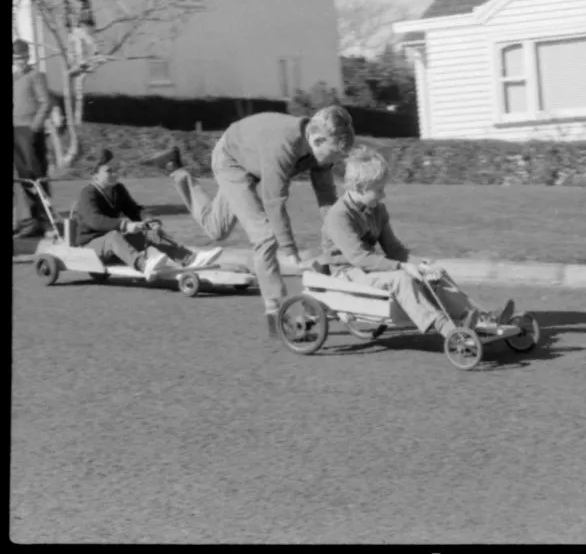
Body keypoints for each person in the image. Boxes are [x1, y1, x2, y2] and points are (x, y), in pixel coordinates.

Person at [141, 106, 355, 340]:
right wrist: (290, 251)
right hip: (231, 159)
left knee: (216, 229)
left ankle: (174, 167)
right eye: (333, 154)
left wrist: (343, 235)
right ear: (317, 139)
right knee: (265, 237)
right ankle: (277, 314)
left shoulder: (319, 148)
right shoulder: (282, 146)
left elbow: (327, 198)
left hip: (253, 159)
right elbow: (274, 203)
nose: (334, 162)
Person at [319, 145, 515, 341]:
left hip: (368, 268)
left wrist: (420, 265)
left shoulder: (377, 209)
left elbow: (394, 249)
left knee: (434, 273)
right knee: (401, 279)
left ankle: (479, 317)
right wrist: (402, 267)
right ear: (360, 187)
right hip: (348, 273)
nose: (383, 195)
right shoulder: (339, 216)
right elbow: (359, 257)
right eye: (378, 190)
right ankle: (447, 329)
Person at [75, 149, 224, 280]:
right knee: (114, 236)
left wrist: (148, 220)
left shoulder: (117, 189)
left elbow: (133, 210)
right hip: (91, 246)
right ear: (94, 173)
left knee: (150, 233)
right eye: (109, 171)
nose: (115, 174)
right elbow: (94, 221)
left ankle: (189, 259)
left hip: (115, 242)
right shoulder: (88, 194)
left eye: (116, 169)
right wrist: (124, 225)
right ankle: (144, 265)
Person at [13, 38, 54, 239]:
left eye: (22, 57)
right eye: (16, 57)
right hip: (15, 131)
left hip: (29, 132)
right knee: (22, 178)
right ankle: (29, 223)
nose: (19, 61)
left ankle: (46, 221)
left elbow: (46, 102)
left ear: (28, 56)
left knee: (36, 176)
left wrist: (34, 127)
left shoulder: (36, 76)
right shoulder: (14, 77)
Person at [63, 0, 105, 75]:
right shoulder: (67, 0)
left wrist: (88, 21)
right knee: (77, 42)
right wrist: (68, 26)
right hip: (75, 26)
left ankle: (95, 54)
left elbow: (87, 11)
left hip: (83, 24)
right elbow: (67, 14)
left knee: (86, 37)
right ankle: (82, 62)